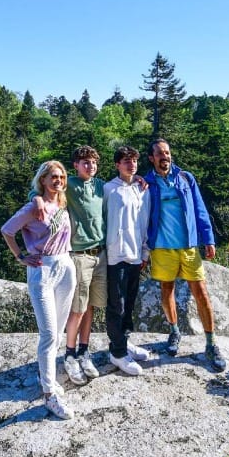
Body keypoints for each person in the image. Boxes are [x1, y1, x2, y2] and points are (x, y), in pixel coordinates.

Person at [1, 160, 78, 419]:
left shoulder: (61, 204)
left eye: (61, 177)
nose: (58, 180)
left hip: (66, 266)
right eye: (53, 177)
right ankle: (49, 394)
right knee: (48, 334)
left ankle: (49, 378)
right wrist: (21, 256)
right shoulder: (34, 207)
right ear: (43, 180)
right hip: (42, 269)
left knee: (57, 332)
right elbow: (7, 230)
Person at [144, 138, 226, 369]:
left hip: (189, 246)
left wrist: (208, 238)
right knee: (166, 290)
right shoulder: (146, 183)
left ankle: (211, 343)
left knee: (201, 293)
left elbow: (200, 209)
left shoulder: (185, 178)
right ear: (152, 158)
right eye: (160, 154)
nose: (165, 157)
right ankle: (174, 331)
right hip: (161, 247)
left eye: (167, 153)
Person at [59, 146, 108, 385]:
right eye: (85, 162)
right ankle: (69, 355)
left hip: (101, 254)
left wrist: (139, 179)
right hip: (79, 254)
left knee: (91, 306)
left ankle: (84, 351)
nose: (90, 166)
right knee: (77, 307)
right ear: (76, 165)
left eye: (93, 162)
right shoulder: (69, 185)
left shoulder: (100, 186)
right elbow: (42, 189)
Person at [102, 146, 153, 375]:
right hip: (115, 256)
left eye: (133, 160)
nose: (130, 164)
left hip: (135, 255)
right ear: (117, 165)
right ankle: (118, 352)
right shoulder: (108, 190)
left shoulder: (142, 190)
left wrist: (145, 253)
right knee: (117, 304)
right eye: (125, 161)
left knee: (130, 302)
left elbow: (144, 223)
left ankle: (125, 341)